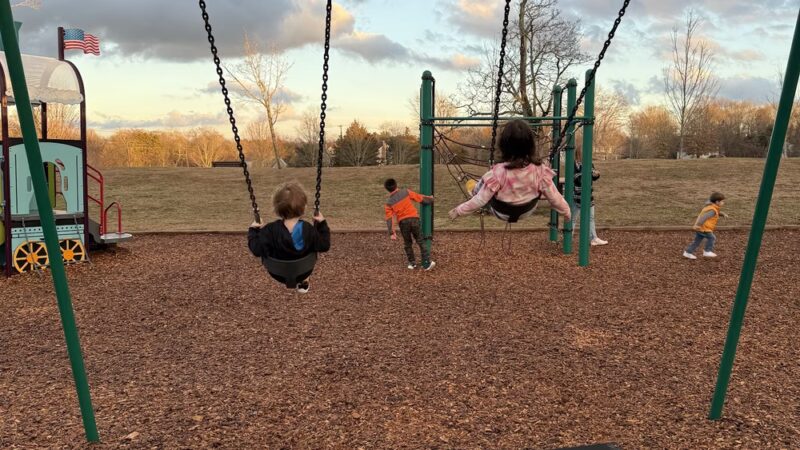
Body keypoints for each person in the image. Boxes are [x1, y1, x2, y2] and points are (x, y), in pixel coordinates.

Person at [448, 119, 571, 223]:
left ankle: (474, 188)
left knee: (485, 182)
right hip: (527, 210)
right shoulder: (540, 171)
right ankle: (476, 187)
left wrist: (458, 210)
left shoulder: (498, 173)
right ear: (531, 145)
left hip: (501, 212)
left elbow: (480, 200)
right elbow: (555, 197)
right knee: (489, 181)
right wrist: (566, 212)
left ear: (503, 146)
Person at [248, 182, 331, 293]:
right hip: (304, 271)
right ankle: (303, 281)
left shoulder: (269, 230)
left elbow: (256, 250)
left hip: (278, 274)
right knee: (307, 251)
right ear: (304, 207)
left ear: (276, 208)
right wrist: (322, 224)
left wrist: (253, 230)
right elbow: (325, 245)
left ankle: (302, 279)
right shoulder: (309, 230)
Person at [384, 178, 435, 270]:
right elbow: (419, 197)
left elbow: (389, 218)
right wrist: (430, 199)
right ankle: (427, 262)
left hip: (403, 223)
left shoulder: (389, 203)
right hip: (414, 219)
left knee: (407, 243)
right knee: (420, 240)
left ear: (387, 189)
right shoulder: (406, 192)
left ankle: (412, 263)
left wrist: (392, 232)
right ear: (396, 185)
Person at [683, 192, 728, 260]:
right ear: (717, 202)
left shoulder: (711, 207)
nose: (723, 203)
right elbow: (703, 217)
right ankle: (707, 251)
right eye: (722, 201)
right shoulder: (712, 210)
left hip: (701, 228)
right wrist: (698, 225)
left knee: (697, 241)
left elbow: (716, 212)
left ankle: (688, 252)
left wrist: (722, 214)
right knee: (712, 238)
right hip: (704, 228)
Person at [572, 161, 607, 246]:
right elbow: (577, 179)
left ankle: (593, 238)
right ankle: (568, 238)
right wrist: (587, 175)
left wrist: (596, 175)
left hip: (587, 194)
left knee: (590, 217)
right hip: (576, 195)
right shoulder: (573, 164)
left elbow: (592, 177)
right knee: (573, 218)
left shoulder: (588, 163)